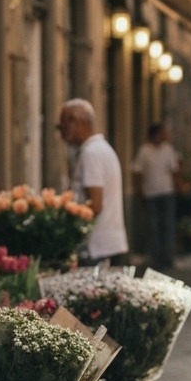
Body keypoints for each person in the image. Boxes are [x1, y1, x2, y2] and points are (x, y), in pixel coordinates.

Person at [57, 99, 128, 263]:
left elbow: (95, 204)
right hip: (108, 243)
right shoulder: (101, 149)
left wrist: (63, 212)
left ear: (78, 122)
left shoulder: (91, 153)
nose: (61, 132)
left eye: (63, 125)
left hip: (98, 247)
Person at [133, 122, 180, 269]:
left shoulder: (168, 149)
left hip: (167, 192)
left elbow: (174, 170)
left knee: (167, 225)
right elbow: (138, 172)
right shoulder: (144, 151)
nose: (162, 137)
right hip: (151, 194)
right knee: (152, 226)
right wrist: (139, 192)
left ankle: (168, 256)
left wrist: (178, 188)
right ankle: (155, 257)